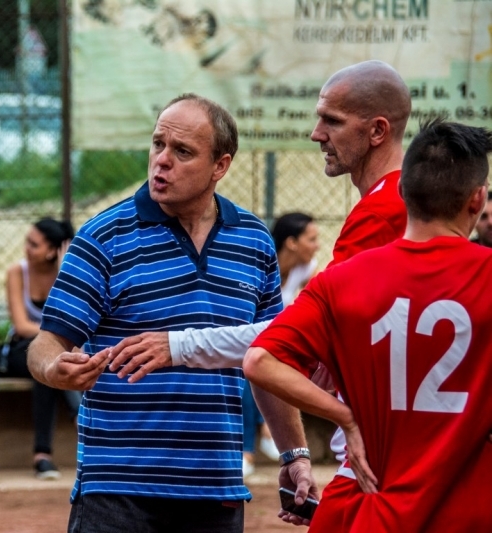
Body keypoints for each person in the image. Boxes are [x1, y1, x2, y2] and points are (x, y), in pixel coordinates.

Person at [106, 60, 410, 523]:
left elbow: (291, 340)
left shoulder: (383, 209)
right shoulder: (392, 203)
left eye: (332, 121)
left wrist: (178, 345)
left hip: (382, 452)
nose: (316, 134)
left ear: (377, 131)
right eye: (158, 144)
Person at [28, 93, 315, 532]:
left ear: (220, 165)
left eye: (182, 152)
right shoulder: (103, 235)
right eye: (158, 144)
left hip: (215, 488)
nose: (162, 161)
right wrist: (55, 368)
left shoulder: (254, 241)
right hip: (117, 488)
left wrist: (294, 454)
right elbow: (46, 343)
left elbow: (269, 357)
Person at [244, 119, 492, 532]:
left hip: (366, 504)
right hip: (467, 507)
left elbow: (259, 361)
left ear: (403, 190)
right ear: (477, 198)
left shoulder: (342, 280)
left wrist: (347, 418)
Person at [0, 217, 82, 479]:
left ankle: (43, 457)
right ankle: (79, 422)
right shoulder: (17, 272)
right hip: (19, 350)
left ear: (51, 251)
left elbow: (75, 319)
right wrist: (52, 337)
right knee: (45, 362)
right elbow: (22, 325)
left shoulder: (65, 274)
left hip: (58, 351)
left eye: (34, 245)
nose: (27, 248)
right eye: (28, 241)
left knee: (51, 364)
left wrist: (66, 273)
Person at [242, 212, 319, 476]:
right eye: (311, 239)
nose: (317, 246)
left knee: (272, 362)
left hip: (275, 341)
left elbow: (315, 304)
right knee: (250, 367)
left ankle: (266, 433)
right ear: (292, 243)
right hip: (249, 337)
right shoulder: (261, 265)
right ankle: (251, 447)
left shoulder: (306, 268)